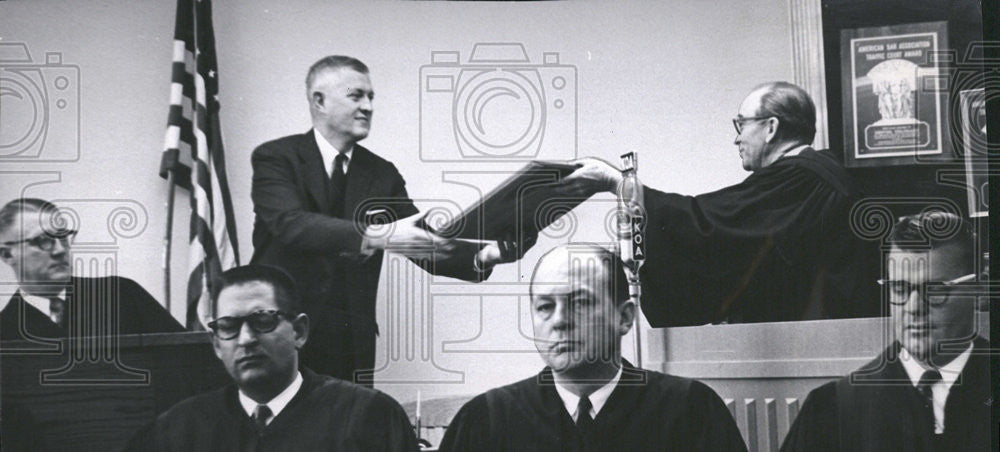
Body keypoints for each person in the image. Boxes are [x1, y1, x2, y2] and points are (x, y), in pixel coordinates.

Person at [250, 55, 525, 384]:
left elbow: (419, 242)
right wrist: (379, 236)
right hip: (277, 336)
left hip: (350, 347)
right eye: (357, 95)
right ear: (319, 101)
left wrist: (488, 254)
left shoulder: (382, 174)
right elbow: (291, 225)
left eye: (371, 97)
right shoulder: (275, 157)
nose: (368, 106)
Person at [559, 81, 876, 325]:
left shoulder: (800, 179)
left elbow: (707, 228)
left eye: (742, 124)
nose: (736, 138)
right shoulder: (811, 176)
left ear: (771, 128)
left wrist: (616, 182)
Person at [439, 244, 746, 451]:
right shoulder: (486, 420)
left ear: (624, 317)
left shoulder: (690, 410)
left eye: (580, 303)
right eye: (545, 306)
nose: (559, 321)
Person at [126, 264, 417, 451]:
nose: (246, 339)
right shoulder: (178, 429)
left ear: (299, 331)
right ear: (216, 345)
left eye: (263, 321)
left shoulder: (368, 416)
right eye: (228, 327)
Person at [780, 212, 988, 451]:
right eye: (899, 288)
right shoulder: (830, 410)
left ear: (979, 290)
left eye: (934, 290)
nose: (913, 308)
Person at [0, 198, 183, 341]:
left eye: (63, 237)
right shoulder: (5, 331)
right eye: (42, 241)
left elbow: (196, 363)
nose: (60, 250)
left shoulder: (122, 293)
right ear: (7, 255)